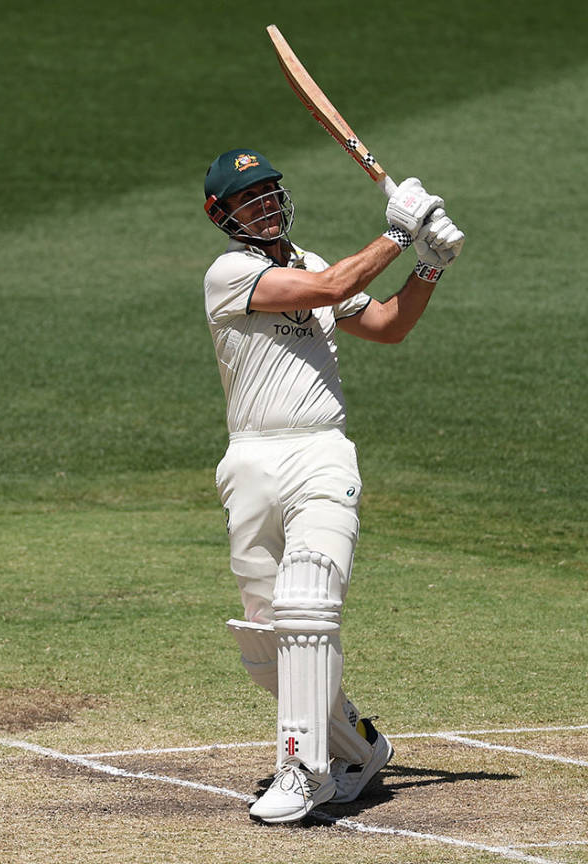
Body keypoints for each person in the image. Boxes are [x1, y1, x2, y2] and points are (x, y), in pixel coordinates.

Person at [202, 148, 464, 823]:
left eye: (269, 192)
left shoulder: (315, 263)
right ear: (221, 215)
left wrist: (429, 265)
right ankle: (360, 750)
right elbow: (324, 292)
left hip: (321, 454)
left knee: (308, 604)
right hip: (252, 461)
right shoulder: (231, 273)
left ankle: (304, 768)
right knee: (266, 641)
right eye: (247, 199)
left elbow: (388, 325)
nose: (263, 204)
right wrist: (401, 233)